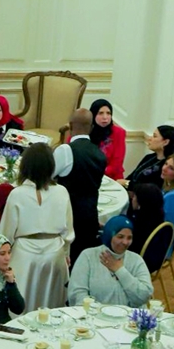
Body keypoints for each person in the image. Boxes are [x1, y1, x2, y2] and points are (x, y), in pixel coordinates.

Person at [0, 144, 74, 311]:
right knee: (51, 308)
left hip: (24, 256)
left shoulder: (17, 194)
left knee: (20, 309)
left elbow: (5, 234)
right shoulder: (62, 192)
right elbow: (68, 232)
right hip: (54, 256)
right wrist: (66, 253)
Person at [55, 109, 107, 262]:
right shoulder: (100, 154)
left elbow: (47, 177)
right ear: (91, 127)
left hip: (67, 217)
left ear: (70, 126)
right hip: (90, 216)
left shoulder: (66, 150)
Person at [67, 216, 153, 308]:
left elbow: (144, 296)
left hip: (129, 319)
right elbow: (77, 294)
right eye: (120, 237)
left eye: (129, 238)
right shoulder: (88, 256)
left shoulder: (136, 260)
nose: (125, 242)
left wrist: (120, 270)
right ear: (109, 235)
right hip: (94, 318)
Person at [88, 98, 127, 181]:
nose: (105, 117)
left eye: (108, 113)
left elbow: (117, 162)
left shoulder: (119, 133)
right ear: (93, 115)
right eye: (100, 113)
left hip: (112, 177)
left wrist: (99, 172)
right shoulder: (85, 130)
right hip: (87, 175)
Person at [126, 182, 165, 257]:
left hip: (136, 256)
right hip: (154, 255)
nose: (132, 199)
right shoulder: (157, 216)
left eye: (134, 197)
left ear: (141, 202)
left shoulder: (140, 224)